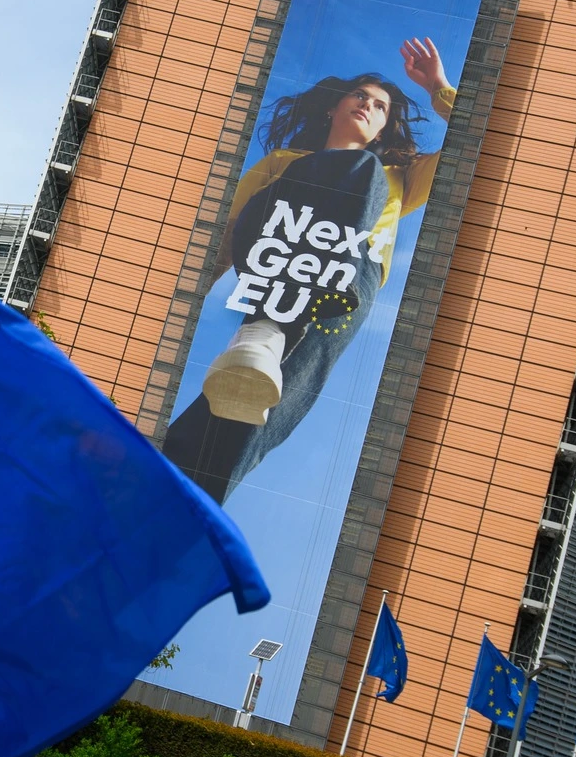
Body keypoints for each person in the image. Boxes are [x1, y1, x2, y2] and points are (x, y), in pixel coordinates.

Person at [162, 38, 456, 504]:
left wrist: (438, 86)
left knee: (269, 395)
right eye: (359, 95)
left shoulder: (399, 176)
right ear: (333, 107)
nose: (367, 105)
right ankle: (264, 326)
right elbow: (227, 231)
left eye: (380, 106)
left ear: (384, 128)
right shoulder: (282, 163)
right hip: (275, 248)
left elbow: (471, 142)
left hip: (349, 279)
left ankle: (182, 493)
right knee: (352, 168)